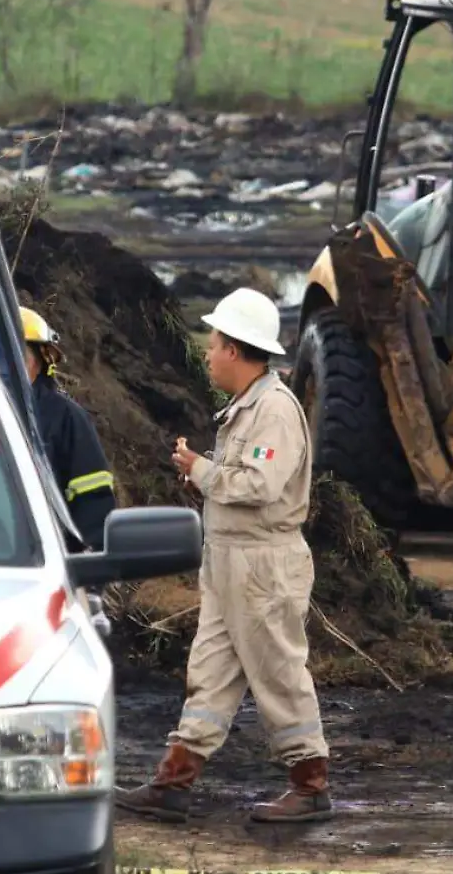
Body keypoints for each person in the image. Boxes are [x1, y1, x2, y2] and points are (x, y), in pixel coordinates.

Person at [116, 287, 333, 824]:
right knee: (209, 672)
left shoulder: (274, 411)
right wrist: (203, 475)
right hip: (230, 561)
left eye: (213, 344)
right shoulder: (245, 409)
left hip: (263, 565)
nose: (207, 354)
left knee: (279, 672)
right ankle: (174, 781)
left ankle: (311, 785)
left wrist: (200, 471)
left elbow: (259, 485)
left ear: (236, 350)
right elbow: (243, 482)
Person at [19, 307, 116, 551]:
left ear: (42, 362)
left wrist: (87, 572)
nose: (5, 367)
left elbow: (93, 506)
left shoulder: (65, 419)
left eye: (18, 357)